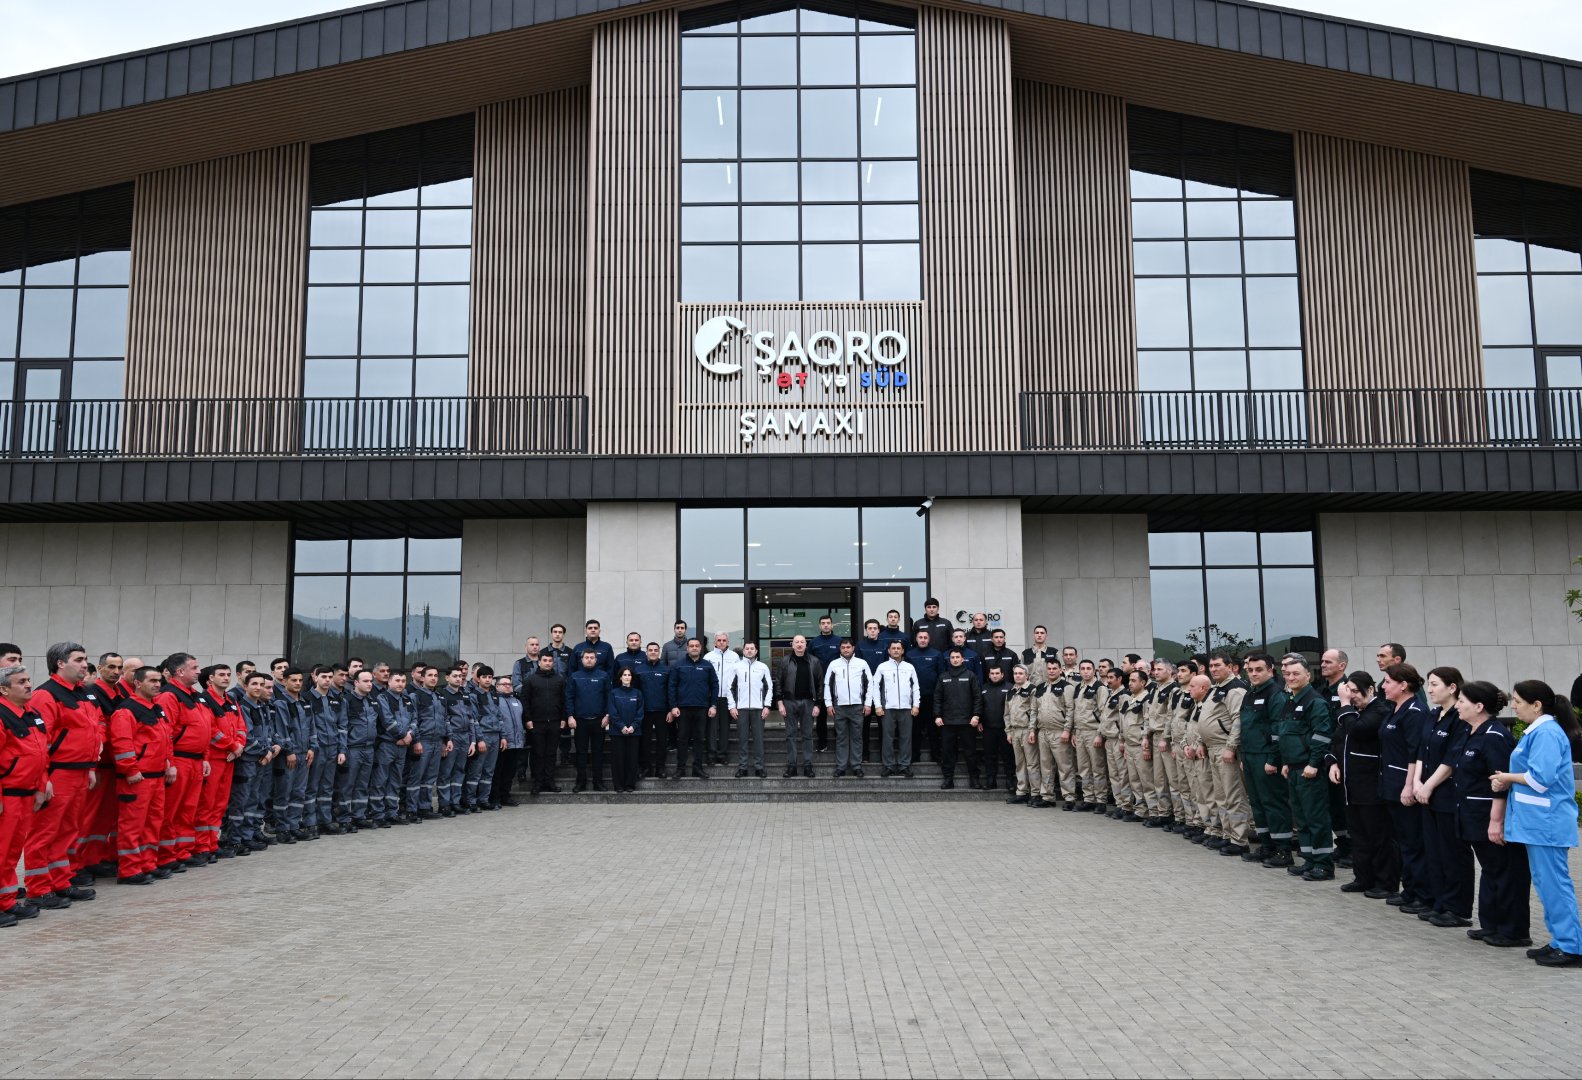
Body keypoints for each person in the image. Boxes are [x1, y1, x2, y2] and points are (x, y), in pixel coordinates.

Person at [1491, 679, 1582, 966]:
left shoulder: (1546, 734)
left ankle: (1572, 946)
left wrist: (1506, 778)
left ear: (1537, 705)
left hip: (1547, 822)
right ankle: (1560, 940)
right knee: (1546, 884)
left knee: (1555, 884)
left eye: (1518, 701)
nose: (1513, 706)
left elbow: (1540, 779)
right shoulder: (1539, 732)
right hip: (1539, 822)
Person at [1453, 681, 1530, 948]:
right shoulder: (1472, 732)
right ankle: (1491, 924)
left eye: (1462, 701)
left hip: (1490, 815)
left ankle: (1513, 930)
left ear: (1479, 706)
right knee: (1490, 869)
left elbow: (1500, 784)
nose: (1458, 705)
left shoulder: (1495, 737)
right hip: (1473, 814)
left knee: (1505, 871)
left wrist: (1496, 821)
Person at [24, 642, 100, 905]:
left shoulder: (81, 694)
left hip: (78, 773)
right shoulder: (46, 696)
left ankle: (60, 882)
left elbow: (90, 733)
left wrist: (90, 768)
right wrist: (43, 779)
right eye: (79, 660)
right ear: (60, 663)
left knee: (68, 831)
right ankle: (38, 889)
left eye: (85, 660)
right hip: (58, 774)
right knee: (44, 833)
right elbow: (39, 742)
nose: (84, 665)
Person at [1328, 671, 1399, 894]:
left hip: (1371, 785)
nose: (1352, 697)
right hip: (1351, 786)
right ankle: (1363, 878)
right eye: (1348, 692)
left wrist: (1344, 703)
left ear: (1370, 690)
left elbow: (1357, 730)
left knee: (1378, 836)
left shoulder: (1380, 710)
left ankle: (1385, 883)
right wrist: (1333, 762)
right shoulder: (1351, 713)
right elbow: (1338, 740)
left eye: (1356, 692)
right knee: (1358, 835)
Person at [1414, 666, 1473, 927]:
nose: (1429, 689)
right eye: (1428, 684)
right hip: (1427, 794)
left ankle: (1457, 908)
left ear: (1452, 687)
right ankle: (1440, 902)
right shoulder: (1433, 715)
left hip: (1447, 794)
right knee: (1434, 851)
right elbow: (1420, 751)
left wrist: (1428, 786)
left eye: (1435, 684)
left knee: (1453, 853)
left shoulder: (1459, 719)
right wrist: (1416, 782)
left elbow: (1451, 759)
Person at [106, 664, 171, 885]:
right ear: (137, 683)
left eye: (158, 680)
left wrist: (168, 764)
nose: (157, 684)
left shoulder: (156, 708)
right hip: (138, 778)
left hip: (156, 776)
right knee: (132, 826)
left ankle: (147, 864)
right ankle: (129, 870)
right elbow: (122, 744)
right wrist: (130, 770)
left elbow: (165, 737)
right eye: (152, 681)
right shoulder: (126, 710)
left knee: (153, 823)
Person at [1379, 663, 1433, 914]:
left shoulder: (1415, 711)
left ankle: (1422, 893)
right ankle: (1409, 889)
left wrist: (1409, 785)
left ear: (1403, 685)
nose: (1383, 686)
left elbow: (1415, 752)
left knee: (1413, 841)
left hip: (1404, 782)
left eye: (1388, 682)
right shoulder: (1394, 709)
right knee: (1403, 840)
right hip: (1390, 781)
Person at [1276, 653, 1335, 881]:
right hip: (1294, 768)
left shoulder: (1315, 701)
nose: (1291, 677)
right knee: (1301, 818)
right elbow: (1286, 734)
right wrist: (1287, 763)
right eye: (1287, 674)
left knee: (1316, 817)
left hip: (1309, 770)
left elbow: (1321, 736)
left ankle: (1324, 864)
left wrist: (1313, 764)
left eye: (1296, 673)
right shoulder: (1292, 700)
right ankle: (1310, 860)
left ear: (1308, 675)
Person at [0, 666, 51, 921]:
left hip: (26, 794)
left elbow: (42, 755)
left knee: (11, 853)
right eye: (21, 682)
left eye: (29, 680)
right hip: (7, 794)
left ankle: (6, 902)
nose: (29, 685)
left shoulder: (32, 714)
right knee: (2, 851)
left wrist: (41, 787)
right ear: (4, 689)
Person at [1238, 652, 1290, 864]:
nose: (1253, 674)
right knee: (1257, 803)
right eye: (1250, 670)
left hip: (1266, 757)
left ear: (1271, 670)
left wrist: (1272, 758)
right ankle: (1267, 845)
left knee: (1273, 802)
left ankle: (1283, 850)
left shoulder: (1275, 694)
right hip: (1250, 756)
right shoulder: (1250, 693)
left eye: (1259, 670)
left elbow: (1279, 729)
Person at [1198, 651, 1250, 855]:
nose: (1213, 669)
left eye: (1218, 665)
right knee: (1221, 796)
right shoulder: (1217, 688)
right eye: (1211, 666)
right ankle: (1228, 834)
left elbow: (1238, 719)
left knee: (1233, 795)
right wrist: (1202, 740)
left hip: (1225, 749)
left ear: (1230, 667)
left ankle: (1239, 840)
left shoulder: (1235, 688)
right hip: (1212, 748)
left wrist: (1230, 747)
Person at [196, 664, 245, 860]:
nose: (226, 678)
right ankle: (201, 846)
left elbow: (241, 726)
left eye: (228, 675)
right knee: (206, 804)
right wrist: (233, 746)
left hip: (230, 759)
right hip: (215, 758)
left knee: (220, 804)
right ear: (210, 679)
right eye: (221, 675)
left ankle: (212, 844)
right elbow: (211, 730)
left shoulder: (231, 700)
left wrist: (239, 745)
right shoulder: (205, 700)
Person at [1319, 648, 1353, 868]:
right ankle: (1342, 844)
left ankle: (1353, 848)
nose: (1322, 665)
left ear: (1341, 665)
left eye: (1328, 661)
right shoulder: (1322, 690)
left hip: (1342, 754)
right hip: (1326, 754)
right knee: (1333, 805)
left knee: (1344, 803)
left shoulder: (1347, 689)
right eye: (1322, 661)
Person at [236, 672, 280, 845]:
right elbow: (246, 736)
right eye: (254, 684)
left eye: (261, 685)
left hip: (263, 759)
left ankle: (254, 831)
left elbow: (268, 733)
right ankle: (243, 836)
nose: (259, 688)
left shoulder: (261, 707)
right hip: (249, 760)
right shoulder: (243, 707)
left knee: (258, 798)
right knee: (246, 799)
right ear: (245, 686)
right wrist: (265, 751)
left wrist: (271, 749)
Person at [866, 640, 919, 779]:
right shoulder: (882, 667)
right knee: (887, 738)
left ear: (902, 651)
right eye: (893, 648)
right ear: (888, 651)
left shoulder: (910, 667)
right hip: (888, 709)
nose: (896, 650)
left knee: (906, 738)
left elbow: (916, 687)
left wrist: (916, 705)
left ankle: (904, 765)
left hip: (907, 709)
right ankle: (889, 765)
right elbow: (875, 687)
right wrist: (877, 705)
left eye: (898, 648)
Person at [667, 638, 718, 780]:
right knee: (682, 739)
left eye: (697, 646)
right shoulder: (679, 665)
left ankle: (698, 768)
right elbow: (672, 686)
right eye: (691, 646)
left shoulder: (707, 666)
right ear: (687, 648)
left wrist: (713, 705)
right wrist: (673, 706)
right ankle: (680, 769)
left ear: (700, 648)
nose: (694, 648)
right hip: (682, 709)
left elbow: (715, 685)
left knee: (699, 740)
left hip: (702, 709)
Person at [775, 635, 824, 778]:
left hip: (808, 702)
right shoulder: (785, 661)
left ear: (806, 644)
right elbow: (778, 682)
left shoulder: (814, 661)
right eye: (797, 642)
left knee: (807, 735)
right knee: (790, 735)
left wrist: (818, 704)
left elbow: (820, 684)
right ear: (792, 645)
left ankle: (808, 765)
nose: (799, 644)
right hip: (789, 702)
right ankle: (792, 766)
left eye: (802, 642)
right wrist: (779, 702)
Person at [934, 648, 981, 789]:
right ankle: (948, 779)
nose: (955, 659)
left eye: (957, 657)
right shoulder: (943, 676)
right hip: (947, 722)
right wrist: (937, 715)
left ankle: (974, 779)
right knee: (947, 753)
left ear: (962, 659)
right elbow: (937, 698)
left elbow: (978, 697)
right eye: (952, 657)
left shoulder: (970, 675)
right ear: (949, 660)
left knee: (970, 753)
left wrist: (976, 715)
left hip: (967, 722)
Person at [824, 638, 870, 780]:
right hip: (840, 707)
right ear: (840, 649)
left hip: (857, 706)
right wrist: (828, 704)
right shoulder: (834, 664)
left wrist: (868, 703)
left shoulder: (862, 664)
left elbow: (871, 684)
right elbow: (827, 685)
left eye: (848, 647)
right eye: (843, 647)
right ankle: (841, 767)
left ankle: (856, 766)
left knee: (857, 737)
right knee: (841, 737)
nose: (846, 649)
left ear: (853, 648)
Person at [566, 650, 612, 792]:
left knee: (598, 752)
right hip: (580, 721)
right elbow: (569, 697)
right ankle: (581, 782)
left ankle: (598, 782)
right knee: (581, 753)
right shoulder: (574, 676)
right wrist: (570, 716)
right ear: (582, 659)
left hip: (599, 720)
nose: (589, 660)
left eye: (592, 657)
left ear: (596, 660)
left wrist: (607, 715)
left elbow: (609, 697)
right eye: (587, 657)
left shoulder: (603, 676)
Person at [406, 665, 447, 818]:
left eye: (436, 675)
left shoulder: (439, 696)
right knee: (417, 777)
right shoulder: (415, 696)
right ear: (422, 678)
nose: (433, 678)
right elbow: (413, 719)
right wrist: (416, 741)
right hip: (423, 740)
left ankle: (425, 807)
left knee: (430, 778)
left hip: (437, 741)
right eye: (430, 675)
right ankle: (411, 809)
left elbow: (445, 719)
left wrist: (445, 739)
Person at [1035, 661, 1077, 809]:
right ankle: (1047, 797)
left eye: (1054, 668)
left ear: (1060, 670)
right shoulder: (1040, 687)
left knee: (1065, 766)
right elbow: (1034, 711)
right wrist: (1032, 730)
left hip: (1060, 732)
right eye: (1049, 668)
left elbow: (1071, 710)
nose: (1051, 671)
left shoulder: (1067, 687)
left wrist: (1067, 730)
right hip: (1042, 732)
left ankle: (1070, 797)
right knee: (1046, 766)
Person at [522, 652, 566, 794]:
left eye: (550, 661)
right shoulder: (530, 680)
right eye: (545, 660)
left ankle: (550, 782)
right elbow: (525, 701)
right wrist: (528, 719)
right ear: (539, 662)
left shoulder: (559, 680)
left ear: (553, 663)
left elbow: (564, 701)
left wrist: (563, 718)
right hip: (536, 723)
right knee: (538, 753)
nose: (547, 663)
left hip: (554, 722)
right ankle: (538, 783)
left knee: (551, 754)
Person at [729, 642, 773, 780]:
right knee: (742, 739)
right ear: (743, 651)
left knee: (758, 740)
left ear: (756, 651)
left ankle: (759, 767)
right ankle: (743, 767)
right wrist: (732, 706)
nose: (749, 651)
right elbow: (730, 688)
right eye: (747, 649)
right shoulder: (736, 667)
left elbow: (769, 688)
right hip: (741, 709)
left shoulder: (762, 667)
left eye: (751, 649)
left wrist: (767, 706)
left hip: (758, 709)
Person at [1070, 660, 1108, 812]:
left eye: (1088, 669)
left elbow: (1104, 713)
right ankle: (1088, 798)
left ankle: (1101, 800)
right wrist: (1074, 731)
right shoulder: (1078, 687)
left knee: (1097, 767)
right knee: (1084, 768)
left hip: (1093, 731)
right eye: (1083, 669)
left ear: (1094, 671)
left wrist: (1100, 734)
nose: (1085, 671)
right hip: (1080, 732)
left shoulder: (1100, 688)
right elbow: (1075, 711)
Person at [437, 665, 475, 816]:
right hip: (452, 737)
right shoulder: (442, 695)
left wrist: (472, 740)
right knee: (446, 772)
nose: (458, 678)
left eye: (460, 676)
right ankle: (444, 804)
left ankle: (455, 802)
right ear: (447, 678)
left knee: (459, 771)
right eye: (455, 676)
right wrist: (446, 740)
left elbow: (471, 718)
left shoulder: (465, 695)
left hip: (465, 737)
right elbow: (443, 720)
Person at [1098, 667, 1134, 820]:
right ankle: (1119, 804)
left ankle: (1127, 806)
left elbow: (1124, 719)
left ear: (1119, 679)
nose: (1109, 680)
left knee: (1122, 774)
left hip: (1117, 739)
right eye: (1108, 677)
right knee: (1114, 774)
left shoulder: (1124, 695)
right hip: (1109, 739)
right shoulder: (1111, 694)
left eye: (1112, 677)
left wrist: (1122, 739)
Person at [906, 629, 943, 764]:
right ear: (916, 639)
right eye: (920, 637)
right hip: (915, 698)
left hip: (932, 697)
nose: (922, 640)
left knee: (934, 729)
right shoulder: (910, 654)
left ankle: (936, 755)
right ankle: (915, 755)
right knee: (915, 729)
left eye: (925, 637)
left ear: (929, 640)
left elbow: (941, 675)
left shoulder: (936, 654)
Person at [1003, 665, 1039, 804]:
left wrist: (1032, 730)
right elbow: (1006, 714)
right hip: (1015, 731)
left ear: (1026, 675)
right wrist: (1009, 731)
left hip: (1027, 730)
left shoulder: (1032, 690)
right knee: (1020, 764)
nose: (1017, 676)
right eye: (1015, 673)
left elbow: (1035, 712)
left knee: (1032, 764)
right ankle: (1022, 792)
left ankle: (1035, 793)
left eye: (1020, 673)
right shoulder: (1010, 692)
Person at [703, 632, 740, 767]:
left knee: (725, 728)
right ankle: (711, 755)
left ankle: (722, 754)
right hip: (712, 698)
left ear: (728, 642)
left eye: (724, 640)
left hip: (727, 698)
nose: (721, 642)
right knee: (712, 728)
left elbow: (737, 678)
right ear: (714, 642)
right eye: (719, 640)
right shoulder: (708, 657)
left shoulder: (735, 657)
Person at [808, 616, 843, 753]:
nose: (826, 625)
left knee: (838, 714)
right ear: (819, 626)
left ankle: (839, 741)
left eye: (828, 623)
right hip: (820, 684)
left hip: (837, 683)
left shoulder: (839, 641)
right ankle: (822, 743)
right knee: (821, 716)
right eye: (823, 623)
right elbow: (809, 661)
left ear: (832, 625)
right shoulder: (814, 643)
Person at [855, 621, 889, 761]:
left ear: (878, 631)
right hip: (865, 691)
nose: (872, 631)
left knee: (884, 726)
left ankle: (883, 755)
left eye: (875, 628)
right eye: (870, 628)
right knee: (864, 726)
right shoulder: (860, 646)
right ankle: (864, 755)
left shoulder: (884, 646)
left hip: (881, 691)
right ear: (866, 630)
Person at [607, 667, 644, 793]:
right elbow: (613, 712)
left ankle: (630, 785)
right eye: (624, 675)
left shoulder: (637, 693)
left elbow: (640, 713)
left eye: (629, 675)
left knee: (632, 759)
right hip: (617, 732)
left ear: (631, 678)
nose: (627, 677)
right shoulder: (613, 693)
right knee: (618, 760)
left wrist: (633, 726)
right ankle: (618, 785)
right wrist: (621, 726)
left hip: (634, 732)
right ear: (620, 677)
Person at [637, 642, 670, 779]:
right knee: (645, 741)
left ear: (659, 652)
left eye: (656, 650)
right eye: (650, 650)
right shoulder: (638, 670)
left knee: (662, 741)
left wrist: (670, 709)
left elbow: (670, 690)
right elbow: (636, 692)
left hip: (662, 711)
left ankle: (660, 768)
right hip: (644, 711)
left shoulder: (666, 669)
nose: (653, 652)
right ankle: (646, 768)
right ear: (646, 653)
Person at [979, 663, 1014, 791]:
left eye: (997, 673)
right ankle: (990, 780)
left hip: (1005, 729)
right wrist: (979, 720)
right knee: (989, 756)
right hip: (988, 728)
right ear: (989, 675)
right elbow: (979, 705)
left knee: (1008, 756)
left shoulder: (1010, 687)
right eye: (992, 673)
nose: (994, 676)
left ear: (1002, 674)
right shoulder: (983, 688)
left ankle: (1010, 781)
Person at [492, 674, 524, 807]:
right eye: (504, 684)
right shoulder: (494, 700)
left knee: (510, 772)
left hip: (516, 742)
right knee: (497, 771)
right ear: (497, 686)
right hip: (502, 742)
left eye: (509, 684)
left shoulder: (516, 700)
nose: (507, 686)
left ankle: (506, 795)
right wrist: (501, 737)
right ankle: (495, 797)